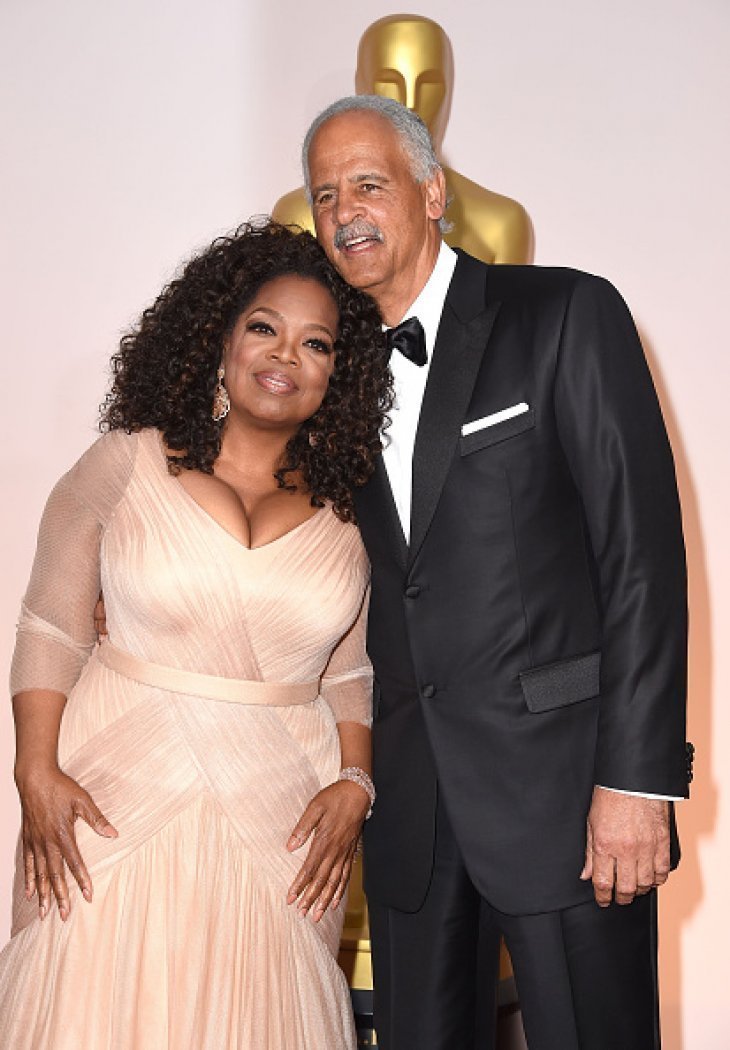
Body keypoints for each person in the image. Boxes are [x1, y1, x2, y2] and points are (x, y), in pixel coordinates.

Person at [302, 95, 692, 1050]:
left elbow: (640, 556)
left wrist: (639, 783)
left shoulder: (564, 313)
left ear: (432, 193)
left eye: (369, 184)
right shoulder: (327, 377)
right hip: (410, 817)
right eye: (324, 195)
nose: (345, 211)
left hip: (564, 802)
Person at [0, 220, 391, 1049]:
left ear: (338, 376)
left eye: (316, 344)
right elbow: (51, 625)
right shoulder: (123, 464)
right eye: (264, 328)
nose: (285, 356)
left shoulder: (353, 519)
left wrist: (357, 782)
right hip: (112, 798)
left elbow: (351, 673)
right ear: (219, 340)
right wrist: (33, 767)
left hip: (284, 818)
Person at [273, 14, 534, 266]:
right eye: (389, 82)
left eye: (429, 84)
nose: (410, 103)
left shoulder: (501, 223)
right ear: (359, 86)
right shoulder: (296, 217)